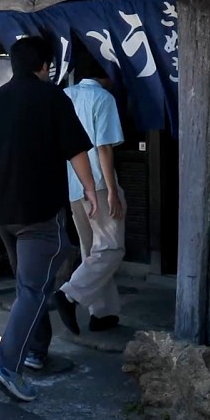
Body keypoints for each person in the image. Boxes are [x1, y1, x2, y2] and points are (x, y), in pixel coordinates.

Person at [0, 35, 98, 403]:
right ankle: (7, 367)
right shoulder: (52, 97)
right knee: (33, 289)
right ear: (44, 67)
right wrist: (90, 189)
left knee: (29, 285)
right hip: (39, 212)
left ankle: (36, 350)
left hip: (3, 214)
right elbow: (76, 149)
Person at [57, 53, 127, 333]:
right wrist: (112, 191)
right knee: (110, 248)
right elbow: (104, 147)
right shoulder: (103, 98)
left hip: (73, 184)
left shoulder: (65, 96)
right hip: (97, 182)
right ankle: (69, 294)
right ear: (107, 75)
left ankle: (102, 313)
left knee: (92, 251)